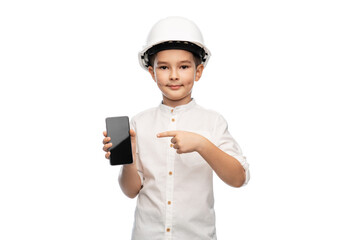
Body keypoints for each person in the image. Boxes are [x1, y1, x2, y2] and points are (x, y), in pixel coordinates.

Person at [102, 16, 250, 240]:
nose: (173, 75)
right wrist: (128, 157)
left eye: (183, 66)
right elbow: (130, 190)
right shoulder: (139, 123)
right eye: (163, 67)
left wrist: (201, 144)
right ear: (152, 73)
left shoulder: (213, 122)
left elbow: (238, 178)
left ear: (198, 72)